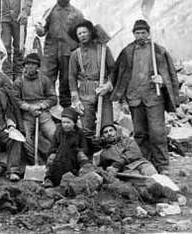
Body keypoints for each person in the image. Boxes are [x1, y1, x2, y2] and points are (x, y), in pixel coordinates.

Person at [111, 19, 179, 175]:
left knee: (157, 133)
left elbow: (170, 74)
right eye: (137, 33)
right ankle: (143, 162)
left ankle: (162, 165)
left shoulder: (159, 51)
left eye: (143, 32)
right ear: (133, 34)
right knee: (140, 133)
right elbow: (117, 72)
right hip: (134, 98)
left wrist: (161, 80)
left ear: (148, 33)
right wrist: (117, 94)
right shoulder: (127, 51)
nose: (140, 35)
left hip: (153, 98)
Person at [68, 20, 115, 155]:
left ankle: (110, 157)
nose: (82, 35)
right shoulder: (75, 54)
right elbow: (71, 77)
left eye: (84, 32)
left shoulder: (103, 49)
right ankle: (88, 158)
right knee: (87, 127)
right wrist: (75, 99)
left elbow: (113, 70)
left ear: (90, 33)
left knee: (107, 126)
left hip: (103, 90)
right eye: (79, 33)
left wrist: (108, 84)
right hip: (85, 91)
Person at [35, 0, 84, 107]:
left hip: (68, 51)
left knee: (66, 79)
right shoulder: (49, 12)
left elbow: (83, 34)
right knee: (47, 77)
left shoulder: (77, 14)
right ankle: (48, 104)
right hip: (51, 50)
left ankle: (65, 107)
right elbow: (42, 31)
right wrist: (40, 30)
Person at [13, 53, 57, 162]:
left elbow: (53, 98)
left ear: (37, 67)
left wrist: (41, 106)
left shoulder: (44, 80)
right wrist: (28, 107)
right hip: (27, 115)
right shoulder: (19, 81)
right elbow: (15, 99)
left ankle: (57, 159)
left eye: (33, 65)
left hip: (43, 113)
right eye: (27, 65)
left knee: (54, 134)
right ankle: (35, 161)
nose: (30, 67)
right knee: (25, 138)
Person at [43, 107, 89, 188]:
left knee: (82, 157)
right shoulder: (59, 131)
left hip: (73, 157)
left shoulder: (79, 133)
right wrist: (52, 152)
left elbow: (84, 147)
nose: (65, 125)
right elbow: (53, 145)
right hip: (59, 157)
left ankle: (74, 179)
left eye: (68, 122)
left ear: (74, 123)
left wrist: (80, 152)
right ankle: (48, 179)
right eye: (63, 122)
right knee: (51, 159)